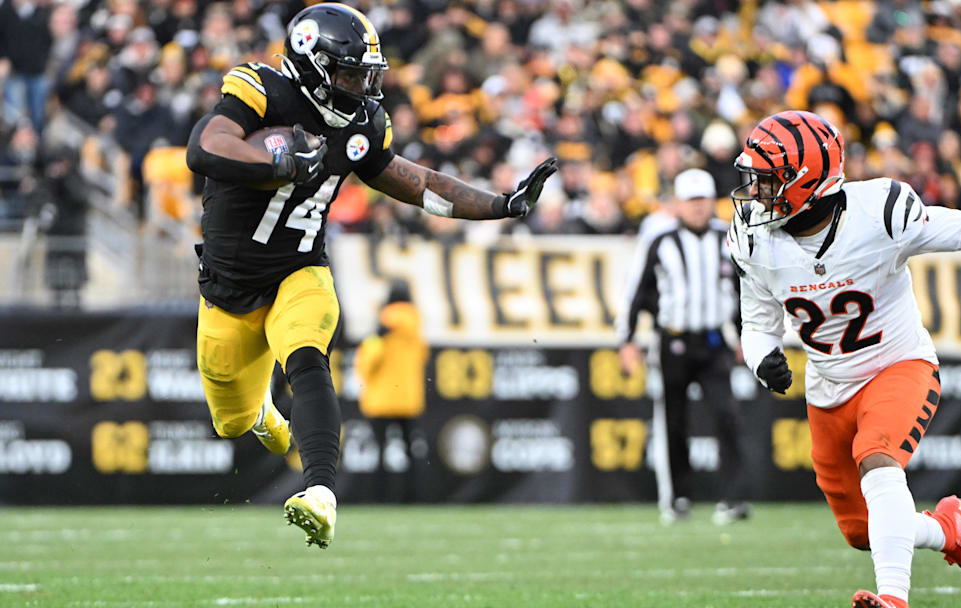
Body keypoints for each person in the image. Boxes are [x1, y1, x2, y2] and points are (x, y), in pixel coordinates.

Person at [185, 3, 557, 549]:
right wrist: (277, 166)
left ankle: (319, 493)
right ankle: (261, 412)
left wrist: (501, 204)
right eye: (350, 74)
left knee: (309, 356)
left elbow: (416, 182)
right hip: (227, 289)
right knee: (232, 423)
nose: (361, 87)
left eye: (367, 75)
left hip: (298, 271)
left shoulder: (361, 125)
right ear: (312, 66)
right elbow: (205, 146)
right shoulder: (263, 91)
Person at [728, 110, 961, 608]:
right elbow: (757, 319)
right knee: (861, 532)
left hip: (897, 365)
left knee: (879, 460)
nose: (756, 194)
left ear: (804, 180)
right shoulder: (752, 237)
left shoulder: (879, 212)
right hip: (829, 386)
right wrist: (762, 355)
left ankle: (893, 598)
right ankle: (949, 532)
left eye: (768, 181)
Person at [616, 168, 748, 526]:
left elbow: (743, 292)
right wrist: (626, 340)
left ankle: (732, 498)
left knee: (726, 415)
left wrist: (745, 336)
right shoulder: (661, 242)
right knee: (674, 421)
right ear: (677, 205)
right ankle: (678, 497)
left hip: (714, 339)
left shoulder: (729, 239)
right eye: (691, 201)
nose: (698, 208)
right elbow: (636, 292)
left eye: (703, 200)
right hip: (672, 340)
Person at [355, 278, 429, 503]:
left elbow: (368, 363)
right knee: (410, 451)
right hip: (408, 400)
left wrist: (376, 338)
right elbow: (422, 357)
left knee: (380, 452)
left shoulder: (383, 323)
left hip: (381, 400)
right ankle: (414, 497)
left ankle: (380, 498)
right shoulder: (416, 325)